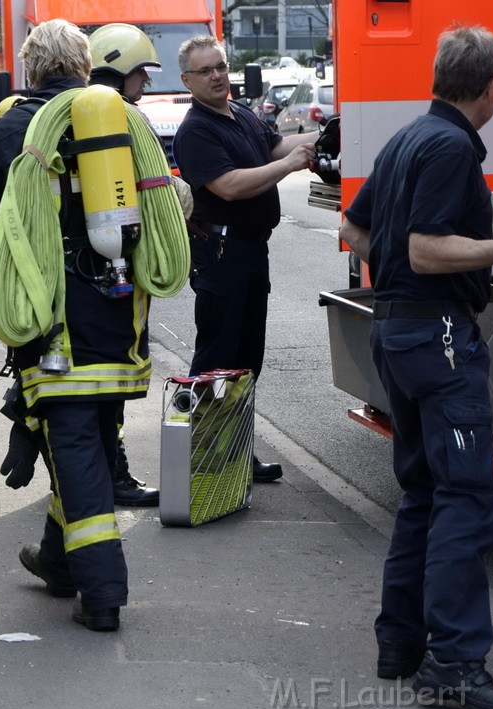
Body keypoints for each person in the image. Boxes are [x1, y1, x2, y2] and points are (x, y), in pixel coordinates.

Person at [338, 24, 493, 709]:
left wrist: (403, 280)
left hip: (397, 334)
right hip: (438, 341)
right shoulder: (448, 149)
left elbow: (356, 232)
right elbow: (426, 252)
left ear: (440, 76)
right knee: (467, 501)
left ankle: (401, 643)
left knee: (422, 491)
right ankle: (454, 663)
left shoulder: (410, 137)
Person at [0, 19, 186, 632]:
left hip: (54, 330)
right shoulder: (125, 121)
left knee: (72, 444)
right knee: (90, 441)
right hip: (124, 321)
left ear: (33, 71)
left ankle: (103, 596)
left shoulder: (15, 131)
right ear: (84, 65)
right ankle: (58, 563)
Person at [172, 36, 318, 483]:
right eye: (206, 71)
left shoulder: (241, 114)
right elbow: (230, 185)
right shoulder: (195, 130)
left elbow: (274, 147)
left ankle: (235, 454)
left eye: (220, 66)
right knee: (218, 356)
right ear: (187, 80)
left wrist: (328, 132)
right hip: (222, 255)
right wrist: (291, 164)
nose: (217, 75)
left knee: (247, 360)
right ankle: (201, 457)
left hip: (252, 251)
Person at [85, 22, 194, 508]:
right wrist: (177, 195)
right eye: (140, 74)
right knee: (116, 375)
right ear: (117, 70)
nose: (146, 83)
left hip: (81, 266)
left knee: (89, 378)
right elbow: (153, 190)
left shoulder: (74, 116)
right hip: (119, 269)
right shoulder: (124, 120)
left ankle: (92, 471)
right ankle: (114, 476)